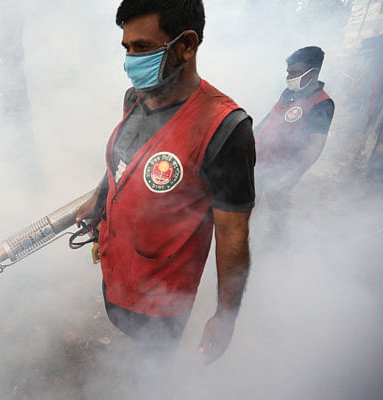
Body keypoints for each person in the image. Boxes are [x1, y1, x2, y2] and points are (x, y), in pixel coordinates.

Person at [76, 0, 255, 365]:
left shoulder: (225, 129)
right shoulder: (135, 98)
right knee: (131, 342)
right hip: (119, 270)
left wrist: (226, 315)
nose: (129, 60)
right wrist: (99, 197)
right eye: (126, 47)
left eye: (142, 47)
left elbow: (232, 233)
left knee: (152, 366)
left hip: (162, 298)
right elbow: (124, 159)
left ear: (186, 45)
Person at [254, 46, 335, 235]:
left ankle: (278, 242)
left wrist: (295, 173)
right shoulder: (288, 92)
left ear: (313, 73)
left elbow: (316, 145)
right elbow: (268, 120)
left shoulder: (322, 103)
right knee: (249, 202)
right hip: (260, 161)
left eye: (295, 72)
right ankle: (245, 237)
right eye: (288, 73)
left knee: (278, 208)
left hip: (283, 169)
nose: (289, 77)